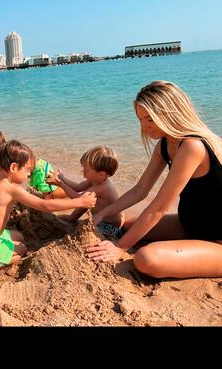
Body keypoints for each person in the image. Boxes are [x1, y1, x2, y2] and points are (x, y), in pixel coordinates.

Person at [86, 80, 222, 279]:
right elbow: (140, 189)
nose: (144, 126)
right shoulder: (165, 145)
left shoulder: (193, 146)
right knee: (127, 227)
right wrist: (102, 214)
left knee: (146, 259)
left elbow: (159, 208)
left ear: (170, 113)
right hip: (189, 225)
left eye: (150, 119)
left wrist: (119, 247)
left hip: (217, 238)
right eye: (140, 119)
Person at [0, 139, 97, 284]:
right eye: (28, 171)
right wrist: (79, 202)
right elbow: (44, 205)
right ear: (13, 167)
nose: (28, 176)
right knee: (21, 249)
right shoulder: (11, 189)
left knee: (18, 236)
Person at [46, 145, 124, 237]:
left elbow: (76, 197)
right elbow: (78, 187)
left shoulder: (103, 187)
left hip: (110, 226)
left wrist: (61, 184)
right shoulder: (94, 180)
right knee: (85, 202)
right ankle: (72, 218)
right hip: (99, 219)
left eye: (86, 170)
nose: (82, 172)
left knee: (84, 229)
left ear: (101, 174)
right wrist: (63, 178)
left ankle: (109, 236)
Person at [0, 130, 67, 199]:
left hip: (39, 169)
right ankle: (70, 192)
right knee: (41, 193)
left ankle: (70, 194)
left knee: (49, 194)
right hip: (36, 170)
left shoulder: (10, 155)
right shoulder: (6, 156)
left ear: (1, 149)